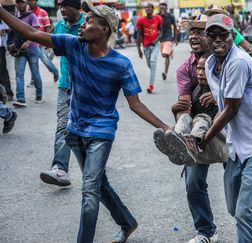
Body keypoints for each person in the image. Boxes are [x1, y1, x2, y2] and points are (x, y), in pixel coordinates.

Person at [0, 1, 171, 241]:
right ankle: (127, 222)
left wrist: (165, 128)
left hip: (101, 132)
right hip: (75, 130)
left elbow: (136, 104)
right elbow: (30, 32)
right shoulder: (73, 46)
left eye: (90, 21)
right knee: (99, 184)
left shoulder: (121, 64)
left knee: (90, 190)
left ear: (105, 30)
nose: (83, 24)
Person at [203, 14, 252, 243]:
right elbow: (222, 105)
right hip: (236, 146)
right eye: (212, 35)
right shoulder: (210, 65)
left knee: (245, 212)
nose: (218, 40)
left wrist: (204, 140)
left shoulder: (238, 62)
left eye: (223, 35)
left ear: (233, 37)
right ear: (207, 38)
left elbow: (230, 109)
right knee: (234, 208)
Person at [153, 15, 222, 243]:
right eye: (191, 31)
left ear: (212, 36)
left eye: (200, 31)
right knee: (193, 183)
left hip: (229, 125)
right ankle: (206, 231)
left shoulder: (228, 60)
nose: (193, 35)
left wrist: (219, 96)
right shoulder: (185, 68)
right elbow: (185, 105)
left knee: (239, 186)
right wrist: (178, 113)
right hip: (199, 126)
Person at [39, 0, 84, 187]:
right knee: (63, 125)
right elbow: (57, 51)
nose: (62, 9)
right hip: (65, 85)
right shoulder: (59, 25)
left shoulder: (89, 24)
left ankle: (96, 162)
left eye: (66, 6)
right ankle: (60, 169)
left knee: (88, 129)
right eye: (60, 6)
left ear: (77, 7)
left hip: (87, 86)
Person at [9, 0, 43, 107]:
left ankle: (39, 94)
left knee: (35, 72)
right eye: (18, 2)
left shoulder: (32, 16)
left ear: (26, 4)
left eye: (22, 2)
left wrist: (28, 42)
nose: (20, 4)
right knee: (19, 74)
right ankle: (21, 99)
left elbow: (36, 30)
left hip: (32, 49)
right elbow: (13, 32)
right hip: (19, 50)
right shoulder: (15, 17)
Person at [28, 0, 59, 83]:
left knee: (46, 60)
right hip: (30, 42)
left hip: (40, 41)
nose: (31, 2)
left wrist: (47, 41)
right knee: (33, 62)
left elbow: (47, 27)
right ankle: (33, 80)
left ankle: (55, 72)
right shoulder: (26, 12)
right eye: (29, 0)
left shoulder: (43, 12)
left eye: (33, 0)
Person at [136, 2, 162, 93]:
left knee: (152, 61)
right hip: (146, 46)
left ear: (152, 9)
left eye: (150, 7)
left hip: (155, 45)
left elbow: (161, 31)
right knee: (149, 65)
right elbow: (139, 35)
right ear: (144, 9)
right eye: (146, 7)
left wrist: (157, 39)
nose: (148, 9)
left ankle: (151, 85)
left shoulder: (158, 18)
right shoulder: (140, 21)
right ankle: (153, 72)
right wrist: (139, 49)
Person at [158, 2, 177, 81]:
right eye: (161, 8)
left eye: (164, 8)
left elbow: (175, 27)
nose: (162, 9)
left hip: (168, 38)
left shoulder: (170, 16)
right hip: (160, 39)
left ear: (166, 9)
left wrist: (175, 38)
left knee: (166, 55)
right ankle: (170, 51)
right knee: (164, 54)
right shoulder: (156, 16)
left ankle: (165, 73)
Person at [0, 20, 12, 101]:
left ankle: (8, 93)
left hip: (1, 48)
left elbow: (10, 29)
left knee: (2, 70)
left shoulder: (2, 20)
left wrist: (4, 30)